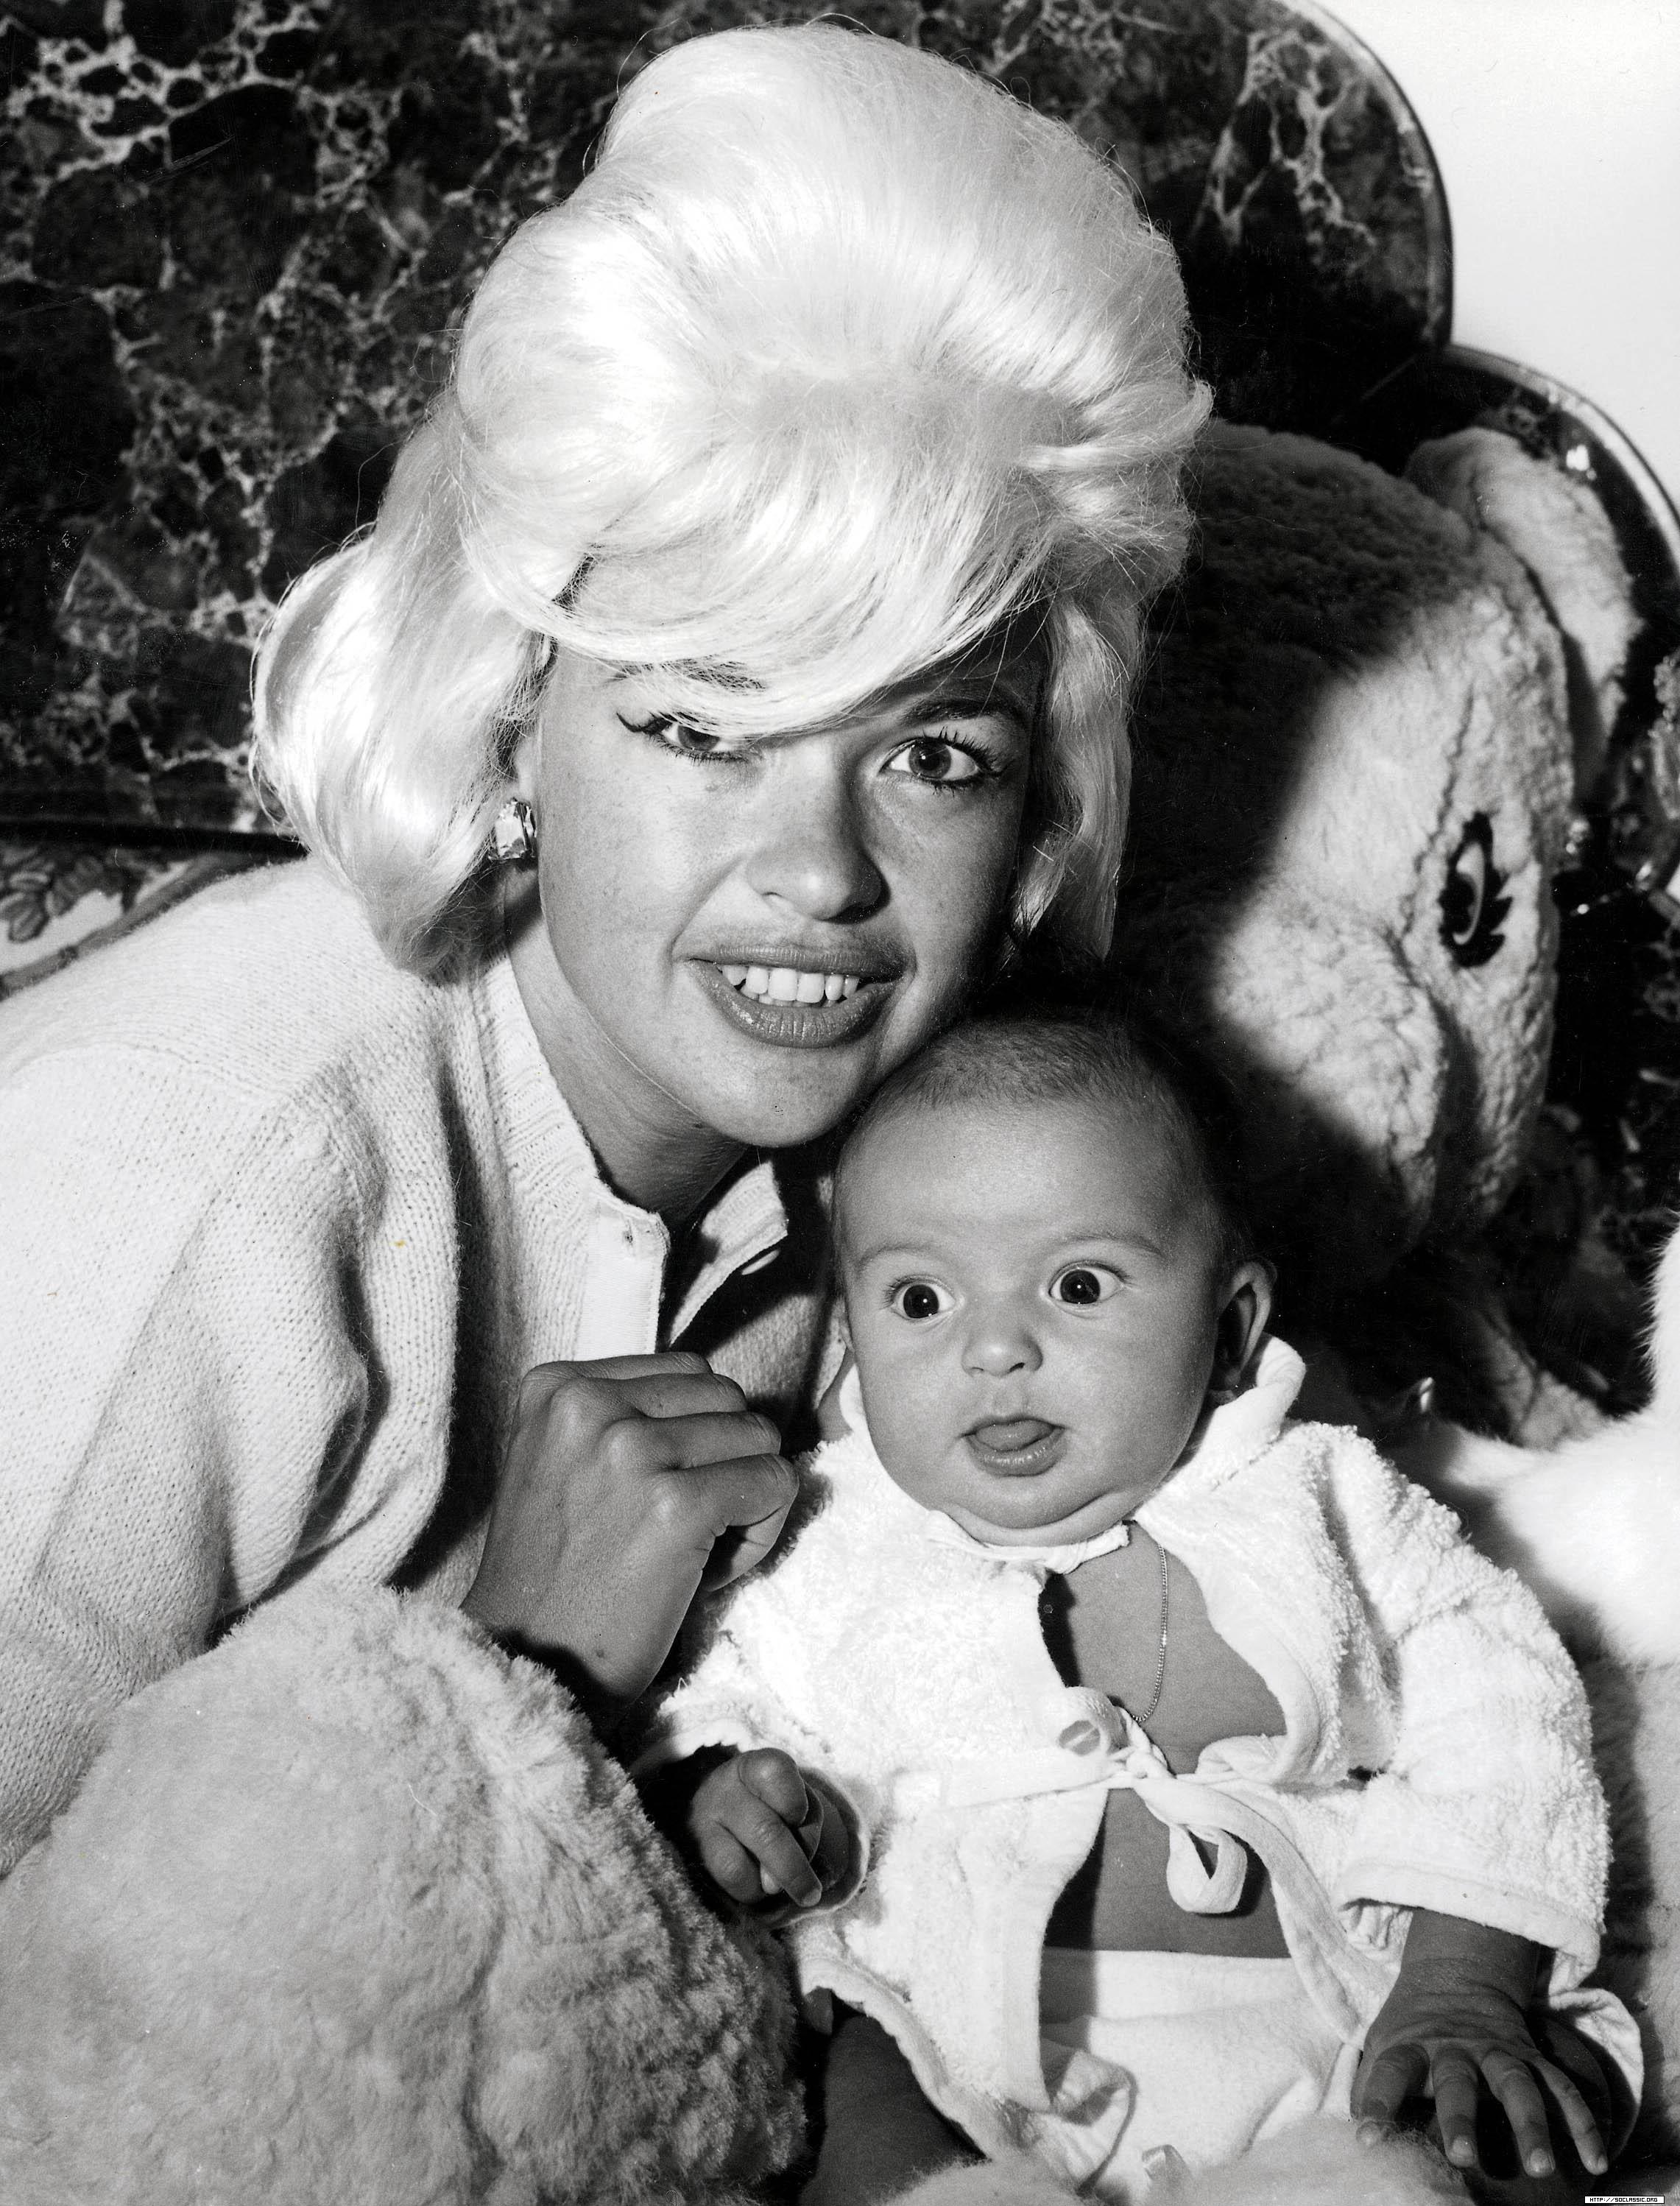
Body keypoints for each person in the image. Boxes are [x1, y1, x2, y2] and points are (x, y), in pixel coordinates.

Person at [0, 24, 1209, 2199]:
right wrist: (511, 1672)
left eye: (931, 753)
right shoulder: (183, 1162)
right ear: (509, 717)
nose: (819, 873)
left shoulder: (909, 1178)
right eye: (703, 723)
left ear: (1041, 815)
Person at [641, 1012, 1642, 2205]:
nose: (995, 1348)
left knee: (1502, 2128)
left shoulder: (1320, 1498)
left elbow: (1503, 1698)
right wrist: (730, 1790)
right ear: (850, 1332)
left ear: (1229, 1327)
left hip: (1328, 2023)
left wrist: (1461, 1981)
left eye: (1077, 1286)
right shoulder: (829, 1539)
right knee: (853, 2084)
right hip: (960, 2039)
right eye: (918, 1298)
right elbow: (715, 1699)